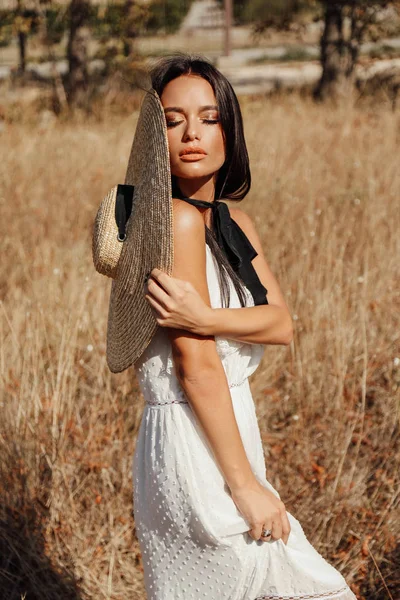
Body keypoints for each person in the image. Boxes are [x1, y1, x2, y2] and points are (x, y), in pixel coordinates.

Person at [131, 53, 356, 600]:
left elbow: (280, 324)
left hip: (225, 431)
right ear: (153, 137)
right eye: (171, 118)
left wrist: (207, 316)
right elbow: (198, 366)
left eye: (209, 118)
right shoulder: (178, 222)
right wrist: (246, 486)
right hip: (194, 440)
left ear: (230, 129)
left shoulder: (233, 222)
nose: (191, 133)